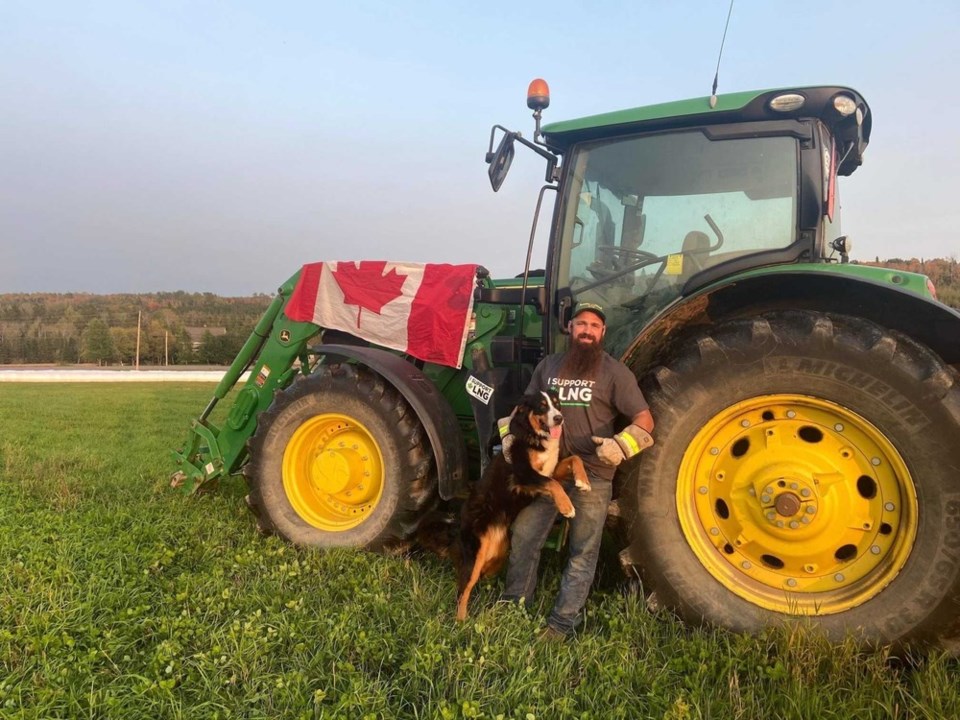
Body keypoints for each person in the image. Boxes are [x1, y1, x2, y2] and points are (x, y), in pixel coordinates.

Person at [499, 301, 654, 638]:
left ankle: (562, 623)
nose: (587, 330)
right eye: (581, 323)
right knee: (524, 536)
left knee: (583, 552)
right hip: (551, 472)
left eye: (594, 326)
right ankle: (514, 603)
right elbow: (524, 408)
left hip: (595, 475)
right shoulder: (548, 366)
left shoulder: (615, 373)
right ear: (570, 329)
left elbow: (645, 420)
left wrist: (622, 446)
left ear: (602, 333)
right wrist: (509, 437)